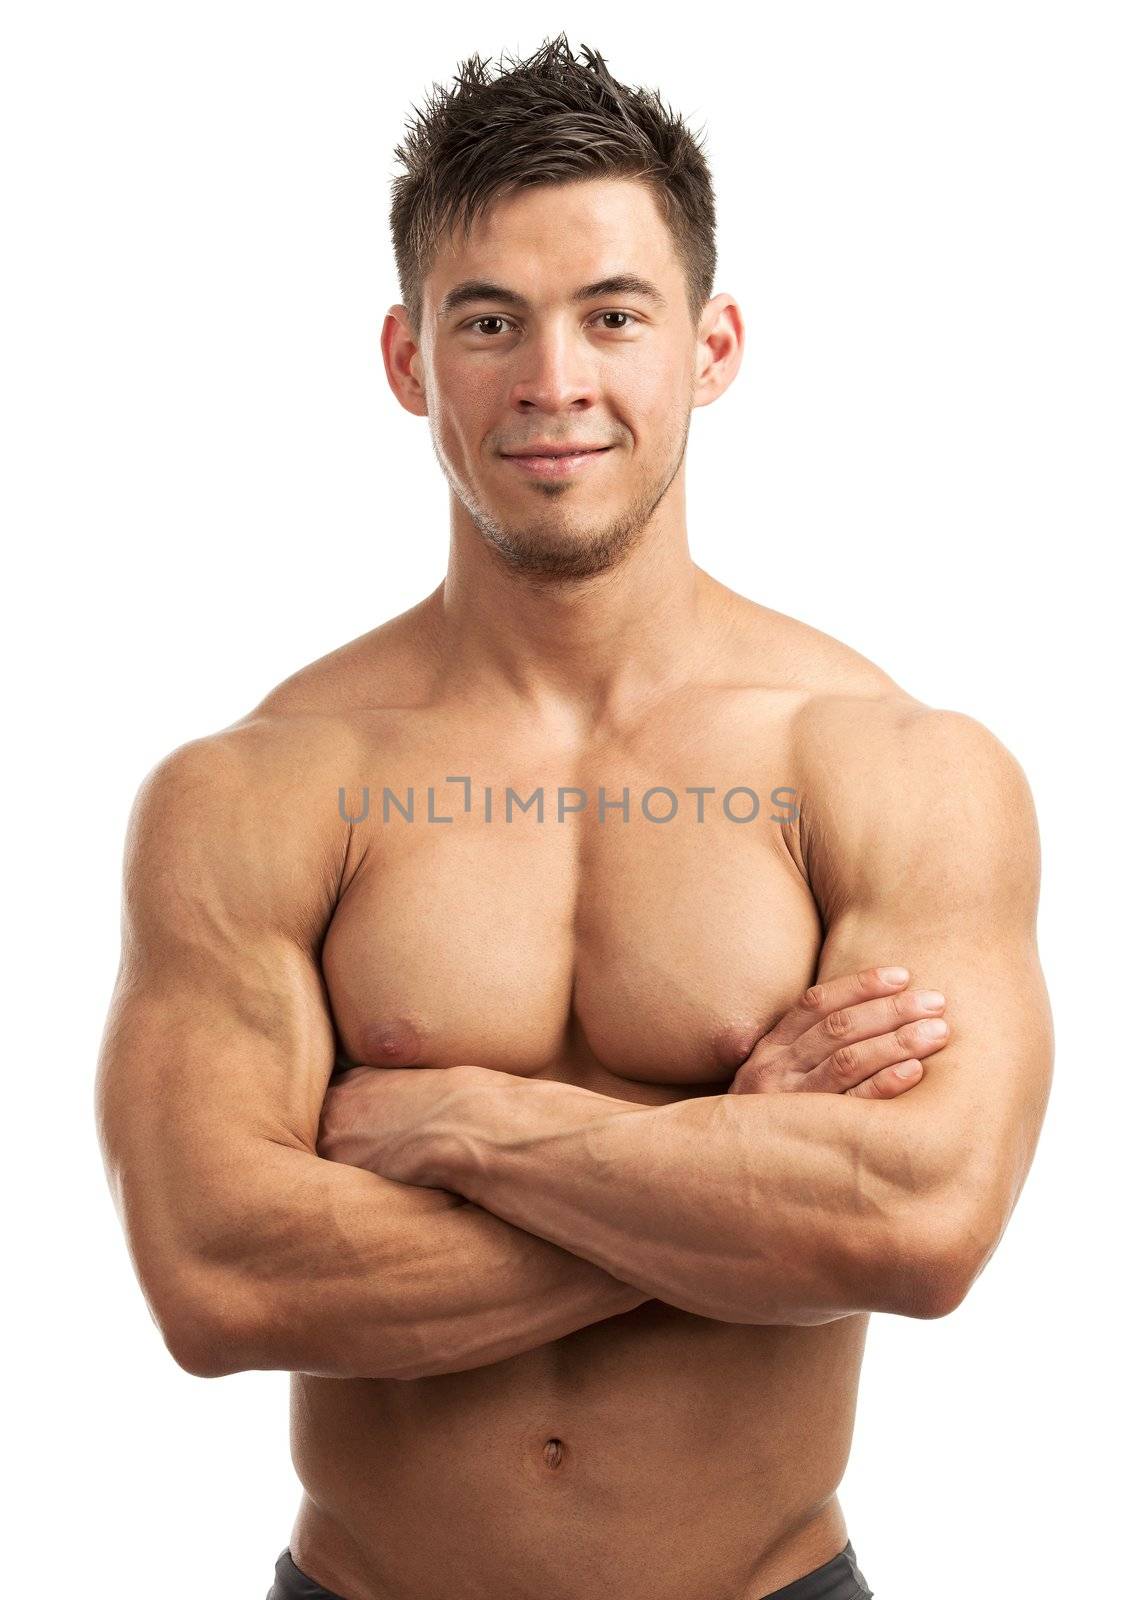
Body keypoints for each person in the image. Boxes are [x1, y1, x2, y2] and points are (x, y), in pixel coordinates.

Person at [94, 34, 1053, 1600]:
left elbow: (920, 1225)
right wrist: (737, 1163)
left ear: (710, 344)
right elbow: (215, 1279)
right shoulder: (260, 784)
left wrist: (460, 1124)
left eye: (613, 314)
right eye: (490, 322)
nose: (555, 382)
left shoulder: (887, 763)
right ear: (408, 359)